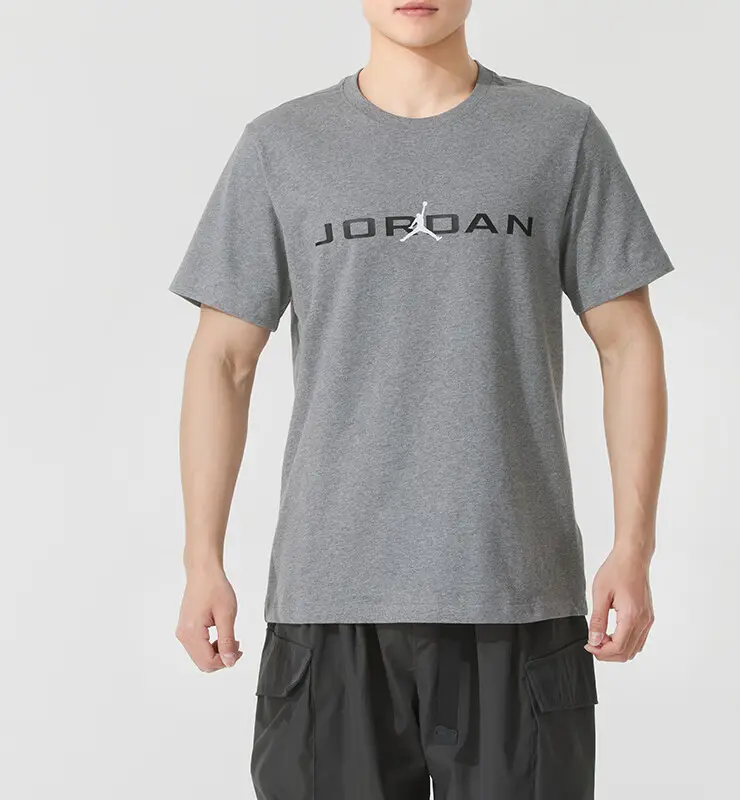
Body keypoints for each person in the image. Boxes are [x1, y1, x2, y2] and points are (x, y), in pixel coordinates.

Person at [169, 1, 674, 798]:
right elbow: (223, 361)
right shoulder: (281, 145)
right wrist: (202, 560)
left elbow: (628, 343)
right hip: (329, 603)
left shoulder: (559, 134)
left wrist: (633, 547)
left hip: (516, 594)